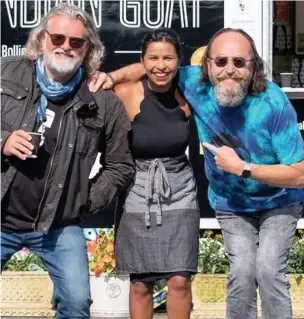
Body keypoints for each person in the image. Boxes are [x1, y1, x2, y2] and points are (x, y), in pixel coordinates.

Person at [91, 27, 304, 319]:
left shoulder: (273, 102)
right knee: (241, 273)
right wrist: (112, 77)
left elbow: (300, 174)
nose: (229, 70)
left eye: (239, 62)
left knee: (267, 271)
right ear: (207, 64)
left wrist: (243, 168)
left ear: (253, 64)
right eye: (221, 61)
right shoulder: (196, 83)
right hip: (231, 202)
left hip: (278, 200)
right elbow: (154, 66)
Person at [1, 4, 134, 319]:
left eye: (76, 42)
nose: (65, 46)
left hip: (58, 226)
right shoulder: (6, 72)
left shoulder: (103, 101)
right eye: (58, 37)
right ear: (43, 39)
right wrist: (3, 140)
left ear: (88, 48)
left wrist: (84, 199)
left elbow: (120, 167)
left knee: (76, 305)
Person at [112, 28, 200, 319]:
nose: (161, 65)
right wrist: (115, 76)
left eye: (168, 58)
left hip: (180, 190)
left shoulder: (189, 93)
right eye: (153, 58)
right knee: (140, 283)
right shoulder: (126, 93)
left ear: (179, 61)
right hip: (138, 191)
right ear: (142, 61)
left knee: (180, 280)